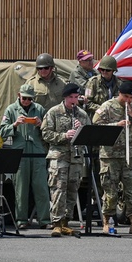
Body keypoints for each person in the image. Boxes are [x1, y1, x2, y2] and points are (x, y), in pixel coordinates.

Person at [93, 80, 132, 234]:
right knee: (110, 191)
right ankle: (107, 221)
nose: (128, 100)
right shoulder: (107, 106)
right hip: (110, 155)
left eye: (131, 97)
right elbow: (96, 126)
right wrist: (115, 125)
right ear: (120, 94)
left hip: (129, 154)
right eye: (126, 97)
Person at [0, 83, 50, 229]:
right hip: (20, 153)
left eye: (29, 99)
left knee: (41, 188)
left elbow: (48, 132)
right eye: (24, 98)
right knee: (20, 188)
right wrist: (14, 124)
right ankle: (21, 220)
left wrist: (41, 125)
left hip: (37, 152)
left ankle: (45, 220)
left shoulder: (39, 109)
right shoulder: (11, 109)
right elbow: (2, 132)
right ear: (18, 96)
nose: (27, 101)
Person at [41, 82, 89, 237]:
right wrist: (64, 136)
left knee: (72, 189)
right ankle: (56, 222)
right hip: (59, 157)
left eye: (76, 97)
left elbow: (90, 134)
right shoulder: (54, 112)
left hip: (75, 158)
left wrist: (81, 128)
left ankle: (66, 222)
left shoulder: (81, 114)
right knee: (58, 189)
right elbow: (46, 134)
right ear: (65, 97)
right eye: (71, 97)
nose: (74, 101)